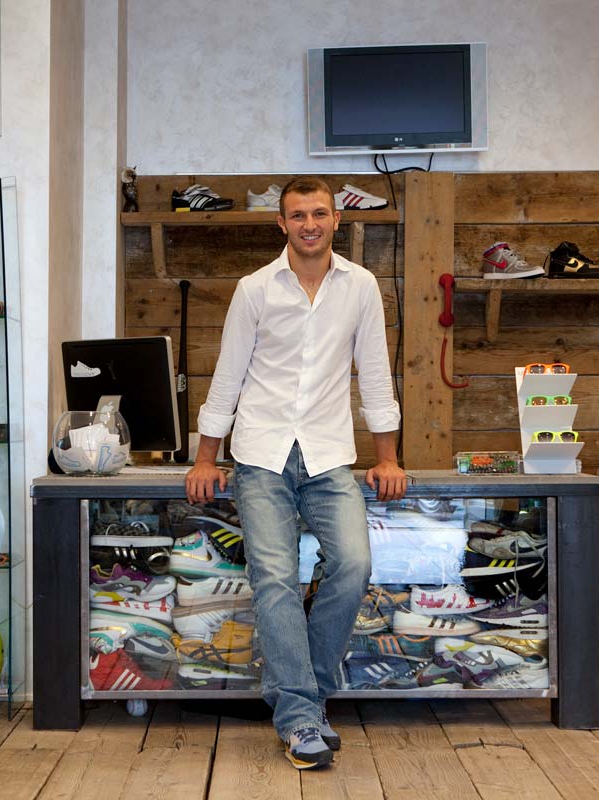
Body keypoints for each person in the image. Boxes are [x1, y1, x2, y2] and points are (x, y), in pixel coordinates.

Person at [186, 177, 406, 770]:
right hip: (260, 454)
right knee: (275, 578)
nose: (310, 224)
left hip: (329, 454)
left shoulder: (361, 287)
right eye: (298, 215)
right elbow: (228, 376)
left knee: (353, 564)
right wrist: (206, 458)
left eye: (320, 213)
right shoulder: (254, 289)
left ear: (337, 220)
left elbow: (376, 375)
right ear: (281, 224)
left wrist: (387, 456)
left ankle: (305, 691)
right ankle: (302, 717)